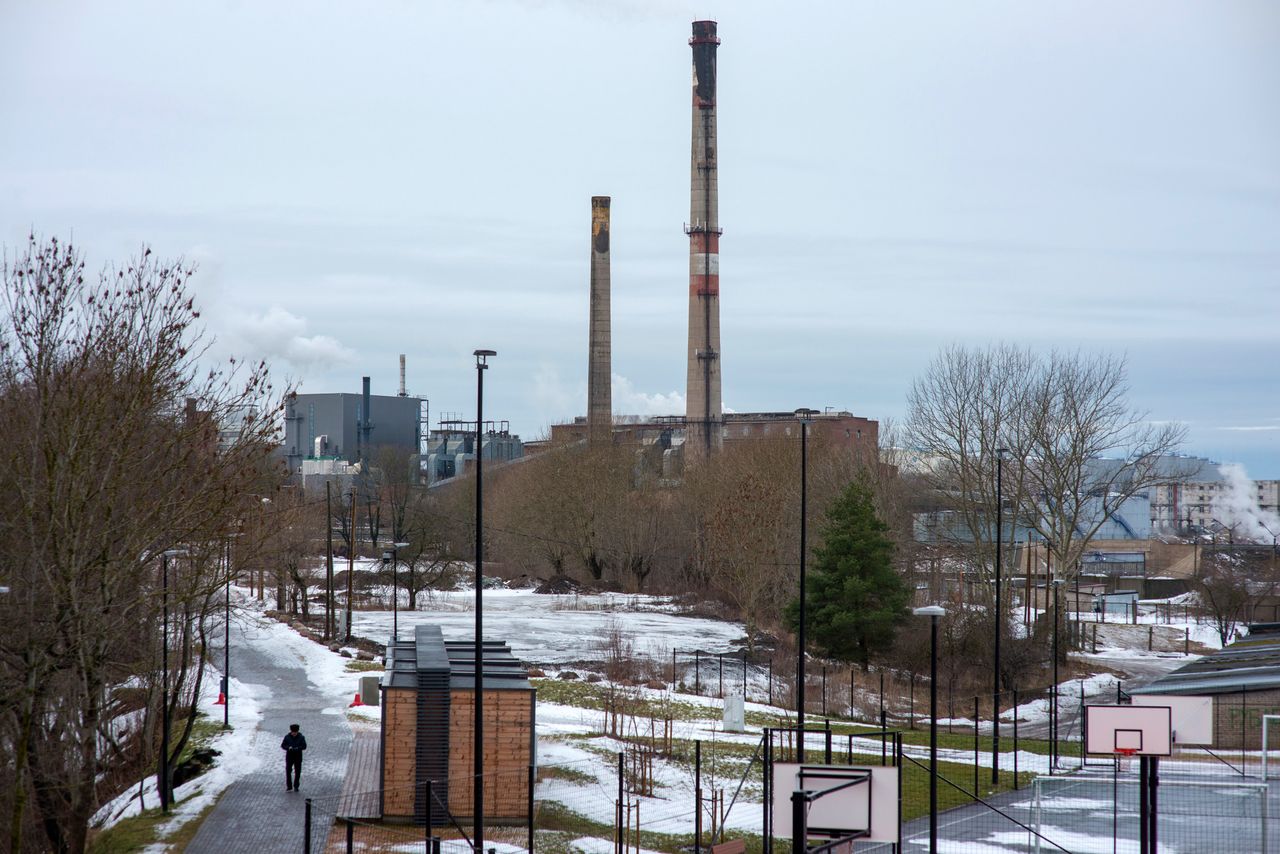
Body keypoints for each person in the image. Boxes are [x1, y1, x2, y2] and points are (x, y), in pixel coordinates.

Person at [281, 723, 307, 791]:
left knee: (297, 771)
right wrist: (288, 748)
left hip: (298, 756)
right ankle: (289, 786)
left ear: (297, 731)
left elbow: (304, 746)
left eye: (295, 732)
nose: (294, 733)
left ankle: (296, 786)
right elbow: (283, 745)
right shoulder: (287, 737)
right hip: (289, 756)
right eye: (293, 732)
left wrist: (298, 748)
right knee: (288, 771)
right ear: (291, 731)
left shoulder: (301, 737)